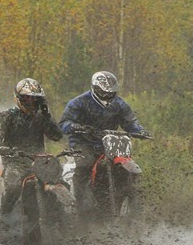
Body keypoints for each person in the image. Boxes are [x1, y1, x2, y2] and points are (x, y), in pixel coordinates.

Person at [58, 71, 151, 215]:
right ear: (95, 88)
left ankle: (123, 199)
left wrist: (140, 131)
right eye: (104, 92)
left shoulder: (119, 104)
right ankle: (79, 203)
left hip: (109, 143)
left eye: (111, 92)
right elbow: (64, 123)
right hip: (83, 142)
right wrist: (75, 126)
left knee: (122, 164)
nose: (108, 95)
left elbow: (130, 122)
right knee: (85, 164)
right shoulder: (79, 102)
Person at [0, 78, 63, 241]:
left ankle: (63, 223)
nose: (30, 102)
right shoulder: (6, 116)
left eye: (34, 99)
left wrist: (46, 115)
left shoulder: (41, 117)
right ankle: (3, 225)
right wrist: (1, 147)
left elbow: (57, 136)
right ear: (18, 98)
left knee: (61, 184)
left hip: (39, 161)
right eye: (26, 98)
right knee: (14, 186)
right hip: (15, 160)